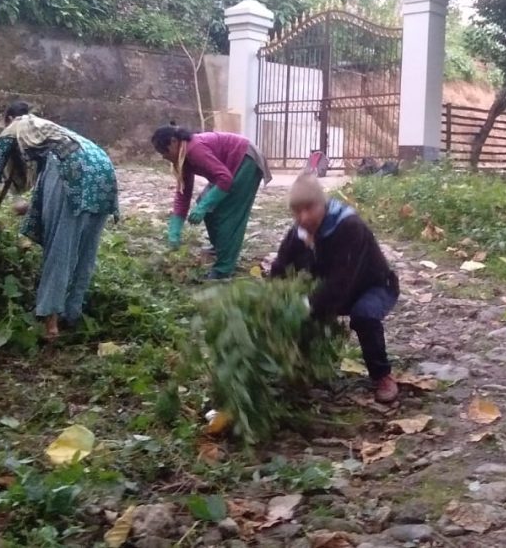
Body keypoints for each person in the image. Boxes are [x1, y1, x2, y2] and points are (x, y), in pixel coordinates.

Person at [0, 102, 119, 340]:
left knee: (60, 247)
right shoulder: (48, 131)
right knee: (86, 250)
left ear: (10, 118)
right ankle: (72, 315)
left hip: (71, 165)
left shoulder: (13, 130)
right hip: (104, 167)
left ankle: (51, 325)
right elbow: (43, 193)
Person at [269, 171, 400, 404]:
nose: (304, 216)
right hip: (333, 291)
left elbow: (341, 281)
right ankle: (300, 370)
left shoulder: (348, 226)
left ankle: (382, 375)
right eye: (297, 211)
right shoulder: (297, 233)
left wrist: (306, 305)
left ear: (323, 204)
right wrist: (273, 299)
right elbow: (280, 267)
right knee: (294, 314)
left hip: (372, 286)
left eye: (309, 208)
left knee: (364, 316)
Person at [151, 123, 271, 280]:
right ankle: (221, 247)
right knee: (206, 203)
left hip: (245, 159)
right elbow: (183, 194)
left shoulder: (194, 149)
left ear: (174, 142)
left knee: (227, 213)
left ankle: (223, 269)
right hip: (228, 167)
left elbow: (224, 179)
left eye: (163, 151)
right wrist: (175, 230)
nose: (163, 157)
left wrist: (204, 206)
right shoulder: (182, 158)